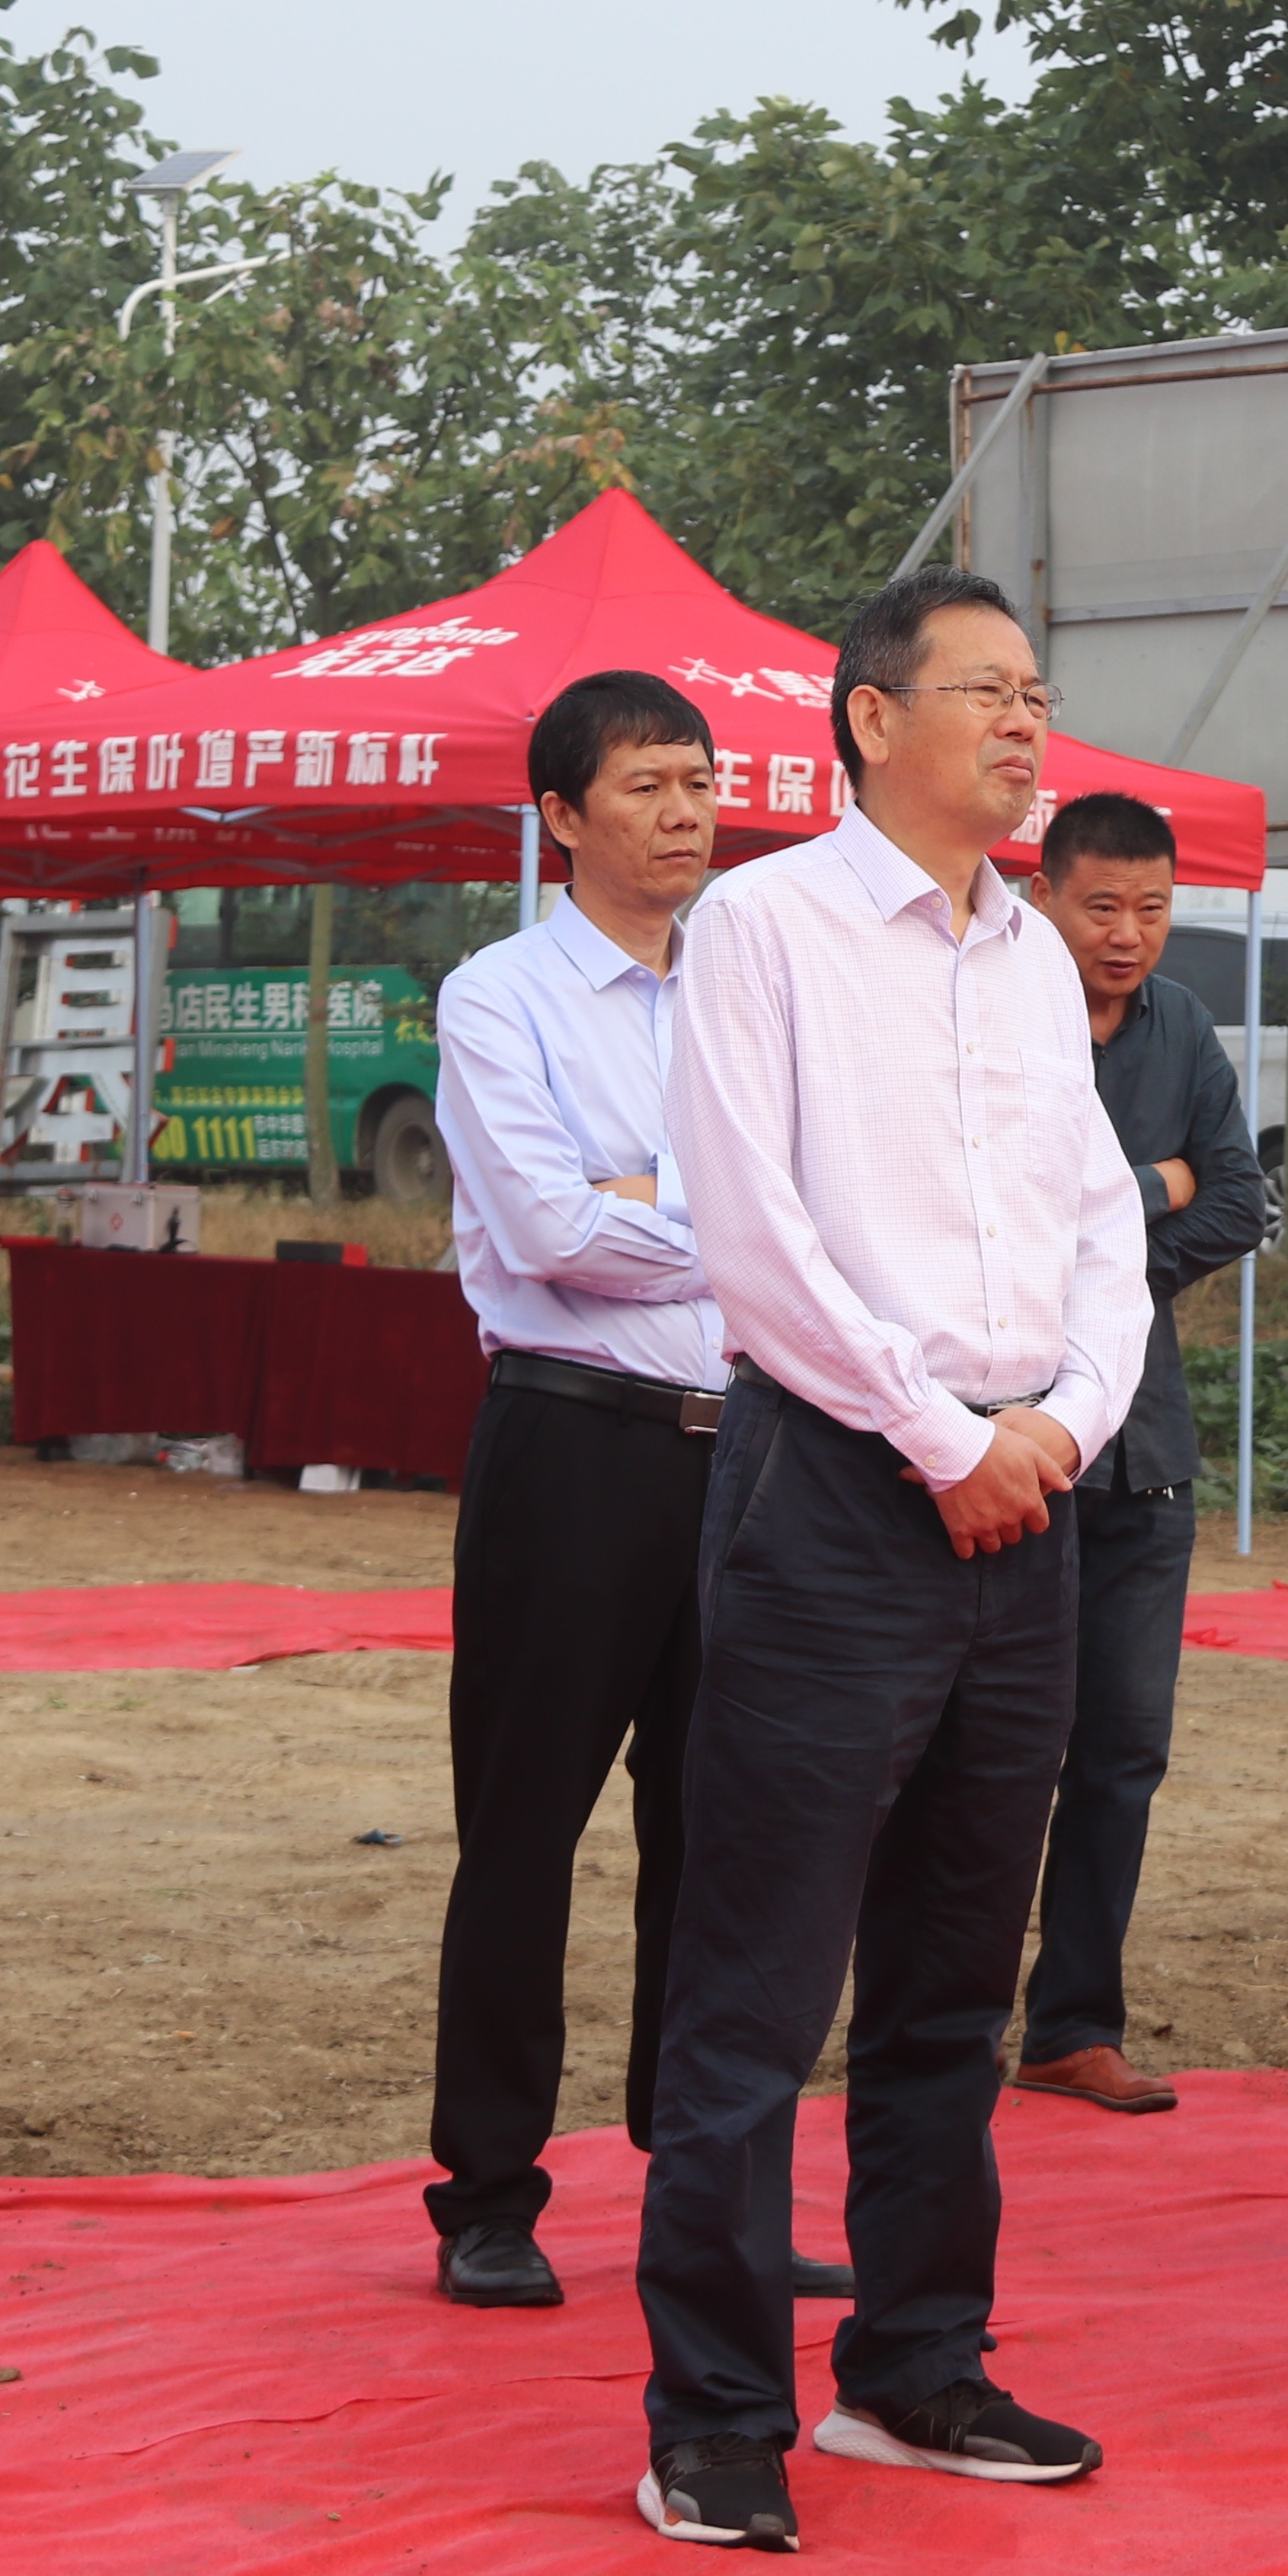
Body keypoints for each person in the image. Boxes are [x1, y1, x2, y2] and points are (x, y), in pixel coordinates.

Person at [633, 566, 1149, 2554]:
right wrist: (943, 1439)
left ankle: (918, 2367)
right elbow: (751, 1237)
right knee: (759, 1985)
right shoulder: (761, 927)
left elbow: (1094, 1224)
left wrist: (1062, 1424)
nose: (1028, 730)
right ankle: (717, 2412)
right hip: (842, 1492)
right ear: (867, 719)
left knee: (955, 1975)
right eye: (987, 695)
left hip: (1025, 1496)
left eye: (1040, 695)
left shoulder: (1027, 953)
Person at [426, 673, 859, 2308]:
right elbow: (552, 1229)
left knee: (734, 1834)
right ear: (562, 815)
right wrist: (738, 1214)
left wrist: (661, 1193)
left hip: (757, 1446)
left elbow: (832, 1200)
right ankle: (487, 2190)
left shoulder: (764, 981)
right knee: (523, 1827)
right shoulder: (500, 994)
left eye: (702, 780)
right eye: (648, 785)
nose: (687, 813)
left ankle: (715, 2183)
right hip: (573, 1448)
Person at [1012, 791, 1267, 2114]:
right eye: (1101, 906)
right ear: (1045, 893)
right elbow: (995, 1206)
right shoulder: (991, 1006)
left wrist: (1108, 1258)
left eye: (1153, 909)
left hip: (1141, 1443)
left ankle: (1073, 2019)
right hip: (1000, 1438)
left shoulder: (1182, 1030)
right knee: (986, 1748)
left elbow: (1240, 1194)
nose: (1127, 935)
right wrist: (1142, 1185)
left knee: (1123, 1745)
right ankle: (933, 2009)